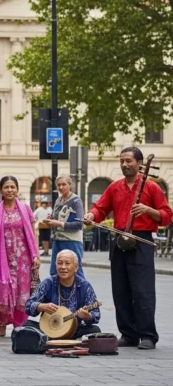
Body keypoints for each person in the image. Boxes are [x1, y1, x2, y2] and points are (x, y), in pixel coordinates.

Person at [84, 146, 173, 350]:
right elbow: (100, 208)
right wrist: (91, 215)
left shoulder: (151, 187)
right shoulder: (114, 187)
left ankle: (148, 335)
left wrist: (148, 210)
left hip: (141, 241)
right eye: (122, 161)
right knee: (121, 289)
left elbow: (167, 216)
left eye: (129, 161)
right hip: (119, 239)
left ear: (140, 164)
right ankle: (128, 334)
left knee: (143, 290)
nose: (124, 164)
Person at [0, 176, 40, 337]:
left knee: (23, 292)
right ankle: (2, 322)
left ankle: (20, 325)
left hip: (24, 259)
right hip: (4, 259)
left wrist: (36, 255)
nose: (10, 190)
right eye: (6, 187)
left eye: (12, 187)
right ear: (1, 190)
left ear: (17, 189)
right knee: (4, 289)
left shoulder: (26, 209)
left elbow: (33, 233)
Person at [24, 250, 101, 339]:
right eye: (59, 263)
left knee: (95, 330)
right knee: (27, 326)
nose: (63, 267)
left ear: (76, 267)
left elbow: (96, 314)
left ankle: (53, 343)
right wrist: (40, 306)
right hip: (49, 330)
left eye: (67, 263)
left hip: (73, 331)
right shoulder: (48, 283)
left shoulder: (84, 286)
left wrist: (87, 316)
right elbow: (28, 306)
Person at [46, 174, 85, 276]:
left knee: (76, 272)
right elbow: (57, 218)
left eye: (64, 184)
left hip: (72, 241)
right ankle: (57, 287)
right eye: (59, 185)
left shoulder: (76, 201)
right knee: (54, 271)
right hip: (57, 240)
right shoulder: (58, 200)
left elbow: (79, 224)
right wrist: (51, 219)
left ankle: (83, 288)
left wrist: (59, 223)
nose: (61, 187)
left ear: (69, 185)